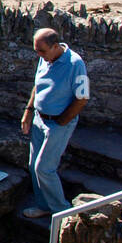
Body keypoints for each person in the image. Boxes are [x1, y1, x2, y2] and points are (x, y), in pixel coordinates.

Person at [20, 28, 90, 219]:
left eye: (41, 51)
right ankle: (44, 206)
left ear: (56, 46)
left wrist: (63, 121)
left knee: (44, 168)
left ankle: (62, 213)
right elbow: (37, 85)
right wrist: (28, 111)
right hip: (38, 119)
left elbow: (82, 97)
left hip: (57, 124)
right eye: (37, 50)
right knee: (33, 165)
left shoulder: (75, 64)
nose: (38, 55)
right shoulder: (45, 58)